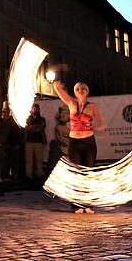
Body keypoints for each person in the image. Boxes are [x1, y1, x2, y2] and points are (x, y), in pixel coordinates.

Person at [54, 78, 106, 214]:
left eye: (83, 88)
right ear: (75, 93)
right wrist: (57, 86)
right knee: (77, 173)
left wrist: (97, 126)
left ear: (87, 92)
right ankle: (77, 204)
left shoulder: (93, 106)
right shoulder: (71, 103)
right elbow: (60, 92)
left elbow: (101, 123)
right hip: (74, 143)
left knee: (87, 173)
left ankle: (87, 204)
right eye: (77, 89)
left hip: (89, 143)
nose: (80, 90)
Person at [23, 104, 47, 187]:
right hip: (29, 142)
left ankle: (39, 177)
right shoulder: (28, 119)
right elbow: (26, 127)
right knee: (28, 160)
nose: (35, 110)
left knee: (38, 160)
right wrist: (33, 127)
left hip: (39, 142)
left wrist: (32, 127)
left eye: (37, 109)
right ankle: (28, 177)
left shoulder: (42, 119)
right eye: (34, 109)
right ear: (31, 109)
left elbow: (41, 127)